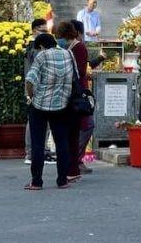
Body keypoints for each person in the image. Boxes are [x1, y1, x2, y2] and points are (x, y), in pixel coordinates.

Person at [24, 33, 73, 190]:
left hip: (40, 106)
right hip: (62, 104)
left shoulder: (42, 56)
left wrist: (31, 96)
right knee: (62, 143)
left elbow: (30, 80)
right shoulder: (68, 54)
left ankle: (36, 182)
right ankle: (62, 180)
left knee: (38, 144)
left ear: (42, 47)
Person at [55, 21, 91, 181]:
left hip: (73, 92)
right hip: (71, 93)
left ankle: (73, 166)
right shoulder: (69, 48)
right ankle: (73, 165)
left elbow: (80, 71)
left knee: (75, 129)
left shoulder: (76, 48)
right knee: (75, 130)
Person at [24, 19, 53, 165]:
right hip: (35, 89)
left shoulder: (36, 47)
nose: (45, 34)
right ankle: (32, 153)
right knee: (34, 122)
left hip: (41, 89)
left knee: (44, 122)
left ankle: (42, 151)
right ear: (34, 31)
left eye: (46, 31)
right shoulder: (34, 48)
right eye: (42, 31)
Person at [70, 19, 96, 175]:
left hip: (71, 92)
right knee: (87, 125)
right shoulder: (79, 47)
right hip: (80, 94)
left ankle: (73, 159)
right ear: (79, 33)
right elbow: (81, 71)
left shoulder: (66, 46)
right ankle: (76, 160)